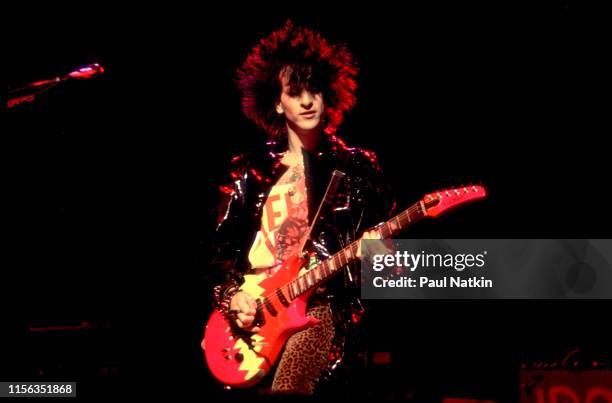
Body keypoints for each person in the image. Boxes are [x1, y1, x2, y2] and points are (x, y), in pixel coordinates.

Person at [206, 20, 394, 394]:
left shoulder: (356, 168)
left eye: (315, 91)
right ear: (277, 102)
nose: (307, 101)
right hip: (256, 309)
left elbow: (384, 262)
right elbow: (222, 253)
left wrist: (380, 252)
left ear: (328, 96)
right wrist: (233, 296)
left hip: (319, 304)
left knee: (289, 388)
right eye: (295, 92)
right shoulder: (251, 171)